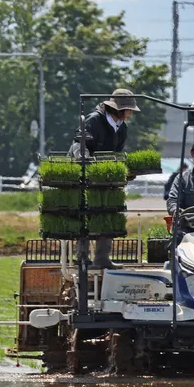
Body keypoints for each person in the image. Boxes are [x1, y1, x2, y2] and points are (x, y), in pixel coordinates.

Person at [68, 88, 140, 269]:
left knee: (107, 212)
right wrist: (87, 165)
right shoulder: (93, 120)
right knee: (84, 214)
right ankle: (82, 257)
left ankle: (102, 258)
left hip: (104, 178)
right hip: (83, 175)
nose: (130, 113)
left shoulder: (122, 127)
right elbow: (80, 146)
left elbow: (117, 154)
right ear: (117, 109)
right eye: (128, 110)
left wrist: (123, 170)